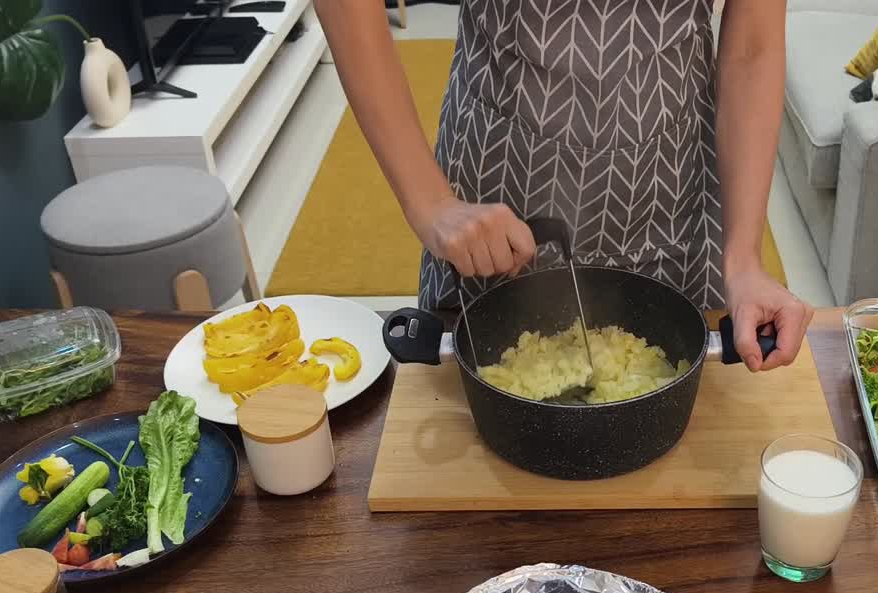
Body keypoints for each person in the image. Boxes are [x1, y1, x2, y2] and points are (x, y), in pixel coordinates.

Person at [315, 0, 811, 372]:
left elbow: (754, 44)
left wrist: (744, 261)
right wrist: (430, 202)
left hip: (669, 185)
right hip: (500, 174)